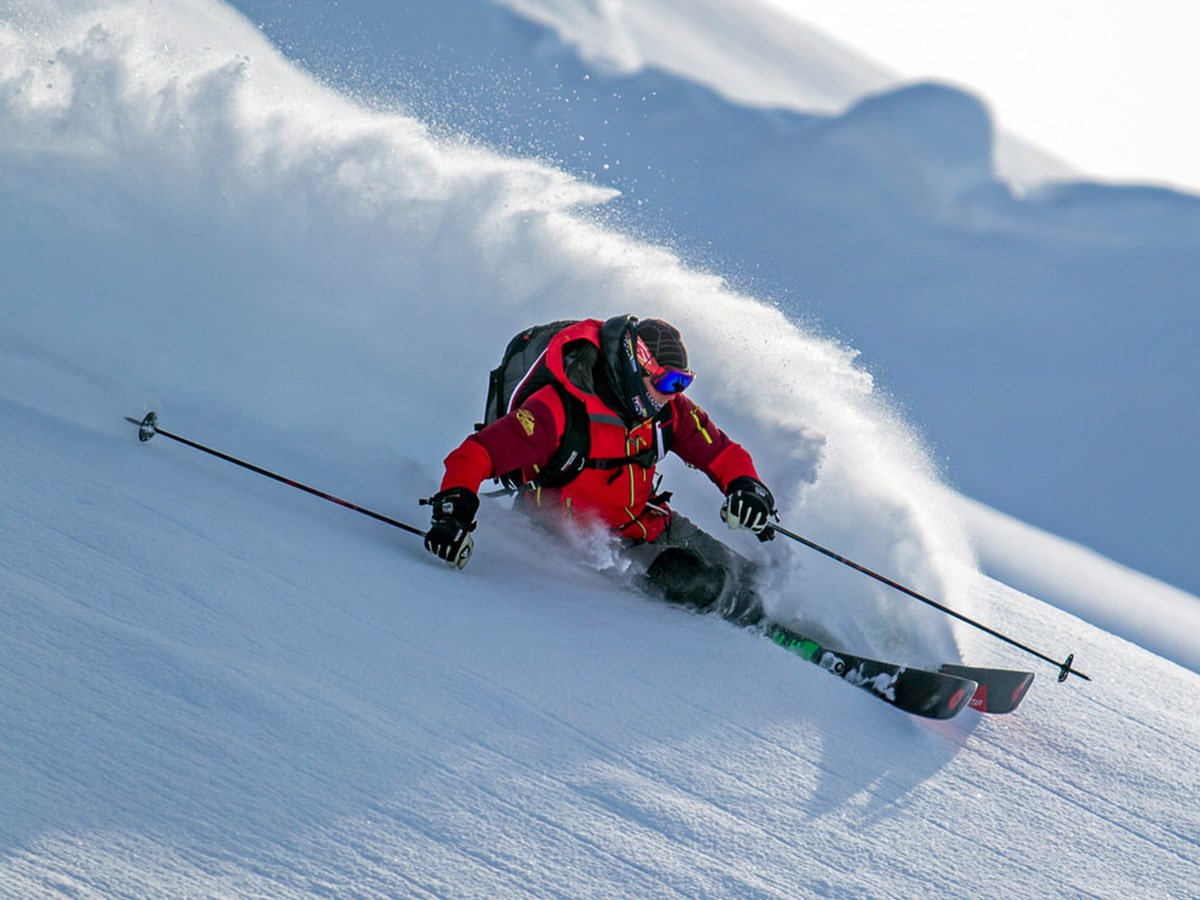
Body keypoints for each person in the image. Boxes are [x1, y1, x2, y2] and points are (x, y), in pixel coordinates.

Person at [423, 315, 777, 625]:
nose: (674, 394)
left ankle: (771, 609)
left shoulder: (668, 411)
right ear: (638, 370)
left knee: (753, 577)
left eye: (682, 384)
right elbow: (477, 453)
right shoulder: (558, 411)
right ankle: (747, 616)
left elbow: (721, 453)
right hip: (577, 545)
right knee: (685, 577)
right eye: (669, 382)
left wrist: (746, 487)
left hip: (651, 523)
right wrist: (452, 513)